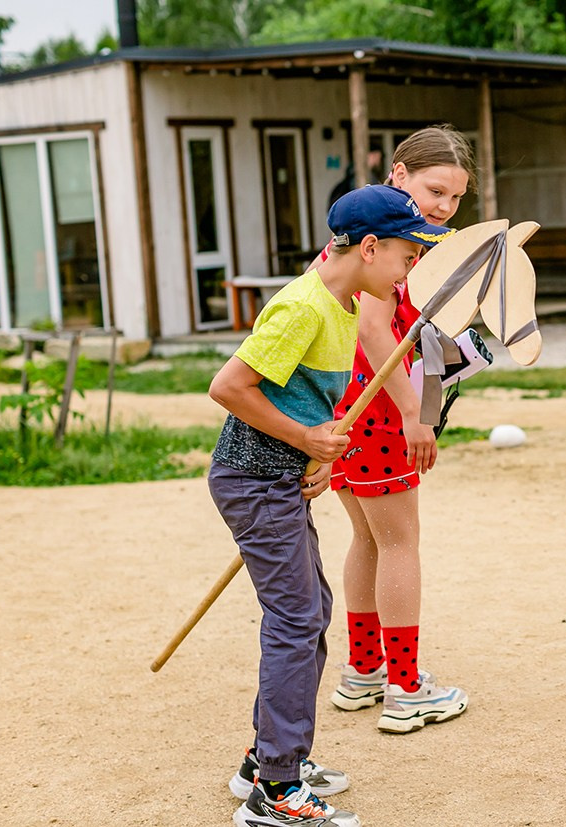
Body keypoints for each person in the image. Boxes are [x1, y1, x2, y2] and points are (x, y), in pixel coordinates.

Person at [208, 184, 451, 827]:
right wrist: (303, 441)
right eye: (405, 256)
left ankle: (267, 760)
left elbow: (303, 401)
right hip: (251, 480)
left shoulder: (345, 303)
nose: (406, 274)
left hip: (278, 477)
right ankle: (278, 790)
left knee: (310, 612)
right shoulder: (305, 307)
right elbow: (228, 387)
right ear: (369, 248)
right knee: (295, 621)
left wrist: (316, 457)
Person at [319, 126, 476, 733]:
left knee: (367, 539)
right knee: (399, 542)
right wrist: (415, 414)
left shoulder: (360, 227)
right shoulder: (387, 240)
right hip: (375, 407)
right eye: (435, 189)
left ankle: (365, 671)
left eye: (457, 198)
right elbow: (373, 330)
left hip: (338, 405)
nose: (443, 206)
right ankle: (406, 687)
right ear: (400, 173)